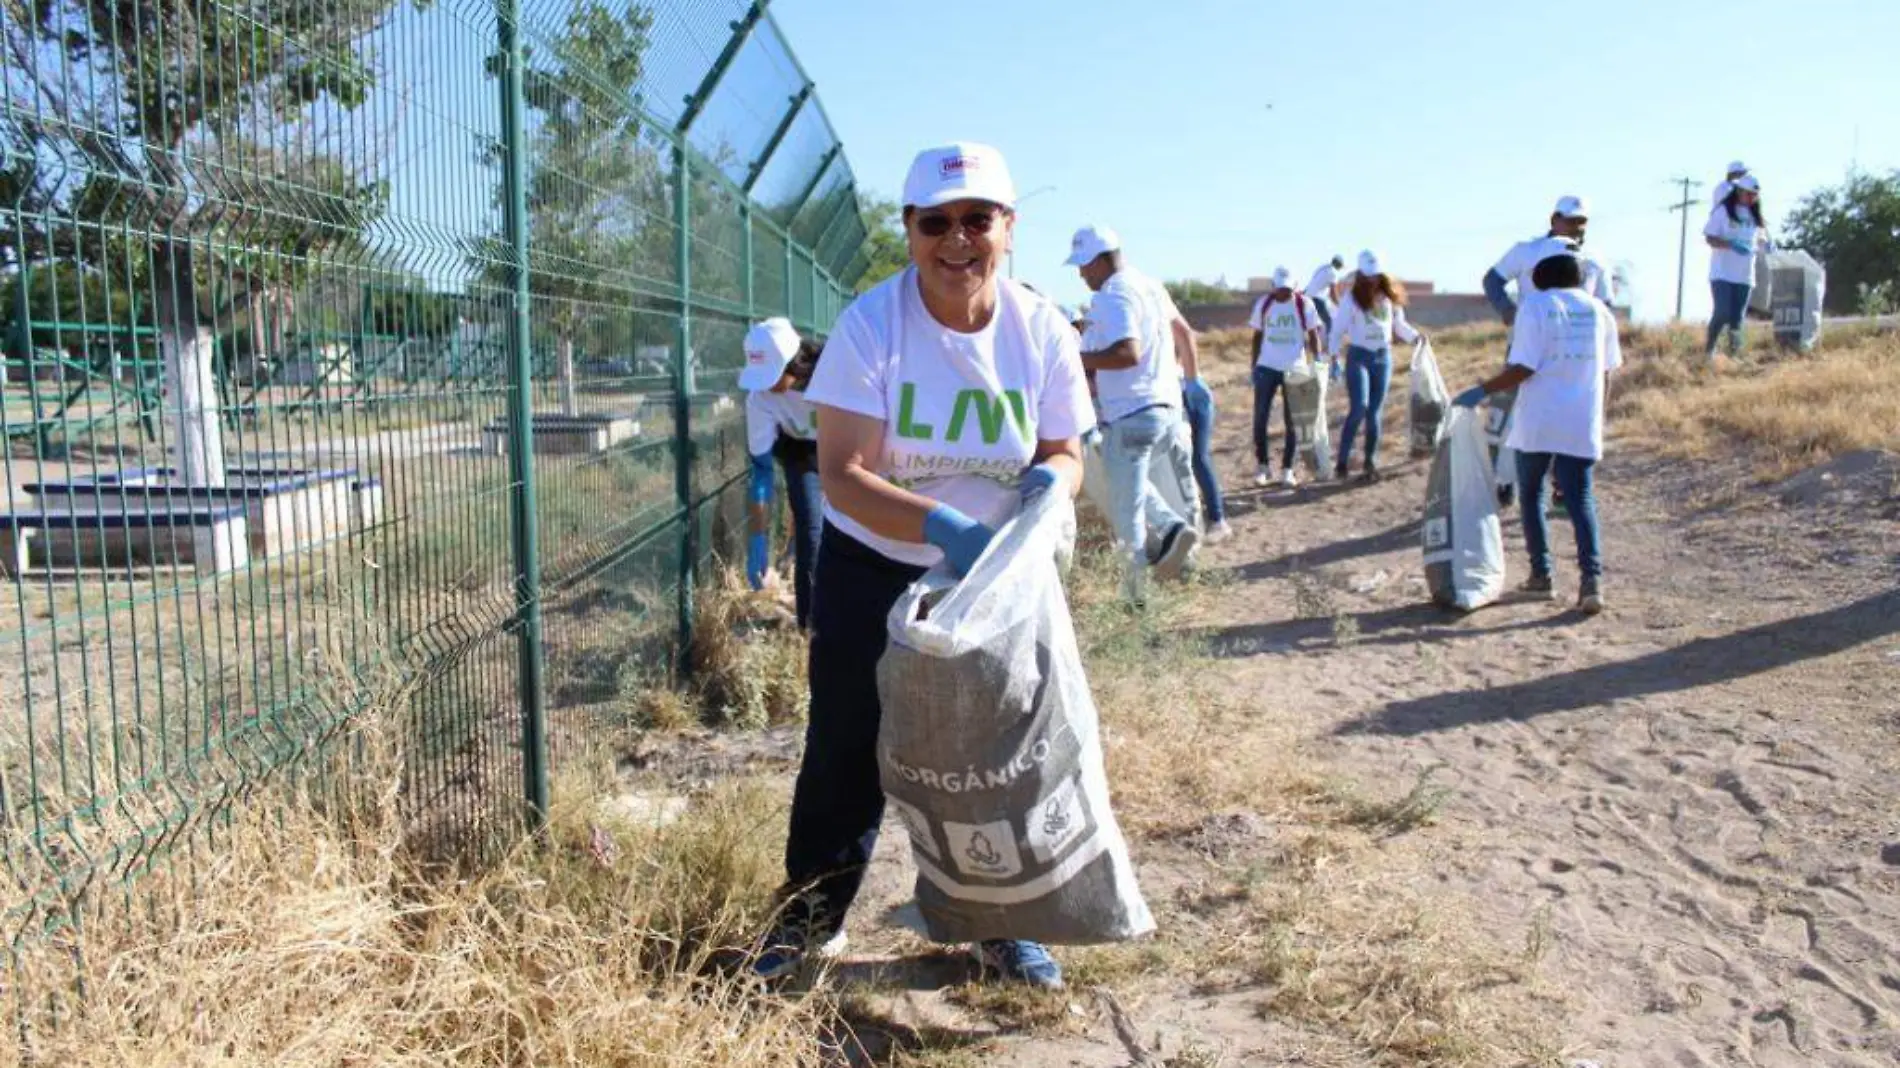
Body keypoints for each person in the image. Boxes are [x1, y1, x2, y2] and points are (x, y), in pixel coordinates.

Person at [754, 142, 1089, 990]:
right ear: (908, 231)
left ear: (1009, 228)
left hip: (996, 581)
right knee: (846, 745)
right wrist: (943, 525)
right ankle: (808, 920)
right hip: (877, 565)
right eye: (934, 222)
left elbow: (1063, 447)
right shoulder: (874, 324)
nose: (957, 239)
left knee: (999, 755)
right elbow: (842, 476)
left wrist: (1051, 483)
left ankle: (998, 924)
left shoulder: (1041, 327)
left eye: (977, 219)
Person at [1453, 253, 1620, 616]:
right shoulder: (1599, 311)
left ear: (1541, 279)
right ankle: (1592, 582)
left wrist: (1482, 390)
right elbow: (1608, 372)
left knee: (1531, 495)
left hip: (1540, 418)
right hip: (1581, 419)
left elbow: (1524, 366)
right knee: (1581, 499)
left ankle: (1541, 575)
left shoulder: (1536, 306)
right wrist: (1599, 415)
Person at [1068, 225, 1202, 585]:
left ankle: (1135, 597)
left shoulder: (1114, 293)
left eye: (1083, 265)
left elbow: (1128, 352)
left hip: (1132, 413)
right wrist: (1193, 380)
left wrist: (1077, 359)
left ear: (1099, 260)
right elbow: (1183, 332)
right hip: (1166, 410)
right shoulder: (1150, 284)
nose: (1081, 274)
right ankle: (1174, 530)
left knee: (1127, 516)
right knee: (1132, 485)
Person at [739, 319, 823, 627]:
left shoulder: (836, 369)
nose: (767, 385)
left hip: (847, 445)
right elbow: (761, 472)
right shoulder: (760, 398)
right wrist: (757, 538)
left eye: (772, 375)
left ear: (795, 361)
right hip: (801, 452)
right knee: (811, 531)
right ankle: (810, 627)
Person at [1328, 250, 1422, 483]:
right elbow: (1338, 329)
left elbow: (1399, 325)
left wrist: (1416, 337)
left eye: (1376, 275)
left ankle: (1370, 462)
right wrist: (1333, 357)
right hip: (1359, 355)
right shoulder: (1351, 299)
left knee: (1374, 412)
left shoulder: (1389, 298)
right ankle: (1341, 462)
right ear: (1360, 274)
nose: (1372, 280)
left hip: (1383, 357)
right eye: (1368, 276)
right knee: (1359, 407)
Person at [1246, 266, 1323, 488]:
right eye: (1280, 289)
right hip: (1266, 368)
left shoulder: (1304, 304)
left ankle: (1288, 469)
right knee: (1260, 418)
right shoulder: (1264, 304)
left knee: (1293, 421)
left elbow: (1313, 334)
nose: (1284, 294)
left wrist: (1318, 361)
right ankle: (1262, 467)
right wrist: (1254, 367)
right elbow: (1257, 336)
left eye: (1288, 290)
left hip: (1295, 368)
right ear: (1273, 287)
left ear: (1294, 287)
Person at [1483, 196, 1613, 324]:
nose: (1577, 227)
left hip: (1575, 340)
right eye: (1571, 221)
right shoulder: (1526, 251)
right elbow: (1492, 281)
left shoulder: (1595, 259)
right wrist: (1508, 310)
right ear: (1554, 220)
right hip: (1530, 337)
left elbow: (1605, 304)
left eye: (1581, 221)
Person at [1705, 175, 1770, 362]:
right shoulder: (1723, 211)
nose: (1752, 198)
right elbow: (1710, 237)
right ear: (1740, 192)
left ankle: (1734, 355)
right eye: (1749, 194)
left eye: (1755, 195)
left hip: (1744, 275)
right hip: (1723, 273)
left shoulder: (1755, 217)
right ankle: (1709, 350)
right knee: (1722, 311)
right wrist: (1730, 244)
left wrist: (1766, 246)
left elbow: (1761, 240)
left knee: (1737, 318)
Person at [1305, 255, 1346, 336]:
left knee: (1315, 323)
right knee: (1329, 321)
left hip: (1307, 297)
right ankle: (1329, 345)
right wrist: (1340, 305)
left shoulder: (1322, 268)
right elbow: (1332, 294)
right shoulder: (1333, 272)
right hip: (1316, 298)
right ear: (1339, 265)